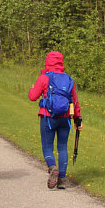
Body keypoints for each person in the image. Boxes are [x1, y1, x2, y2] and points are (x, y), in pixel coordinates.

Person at [28, 50, 82, 189]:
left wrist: (32, 89)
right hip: (65, 118)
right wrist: (77, 119)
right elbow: (74, 101)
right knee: (62, 147)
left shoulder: (44, 77)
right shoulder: (69, 79)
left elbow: (33, 97)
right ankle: (62, 179)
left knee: (47, 147)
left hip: (48, 117)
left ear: (47, 61)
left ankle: (53, 168)